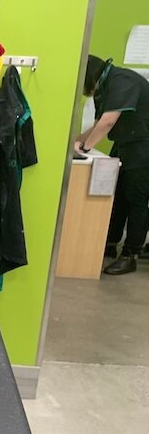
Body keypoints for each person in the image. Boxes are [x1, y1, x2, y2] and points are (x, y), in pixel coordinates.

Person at [76, 55, 149, 275]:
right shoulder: (108, 83)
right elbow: (99, 123)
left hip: (143, 146)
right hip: (127, 144)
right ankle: (109, 242)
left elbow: (108, 121)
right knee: (118, 196)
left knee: (136, 200)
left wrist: (86, 148)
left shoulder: (121, 80)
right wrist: (77, 142)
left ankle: (130, 254)